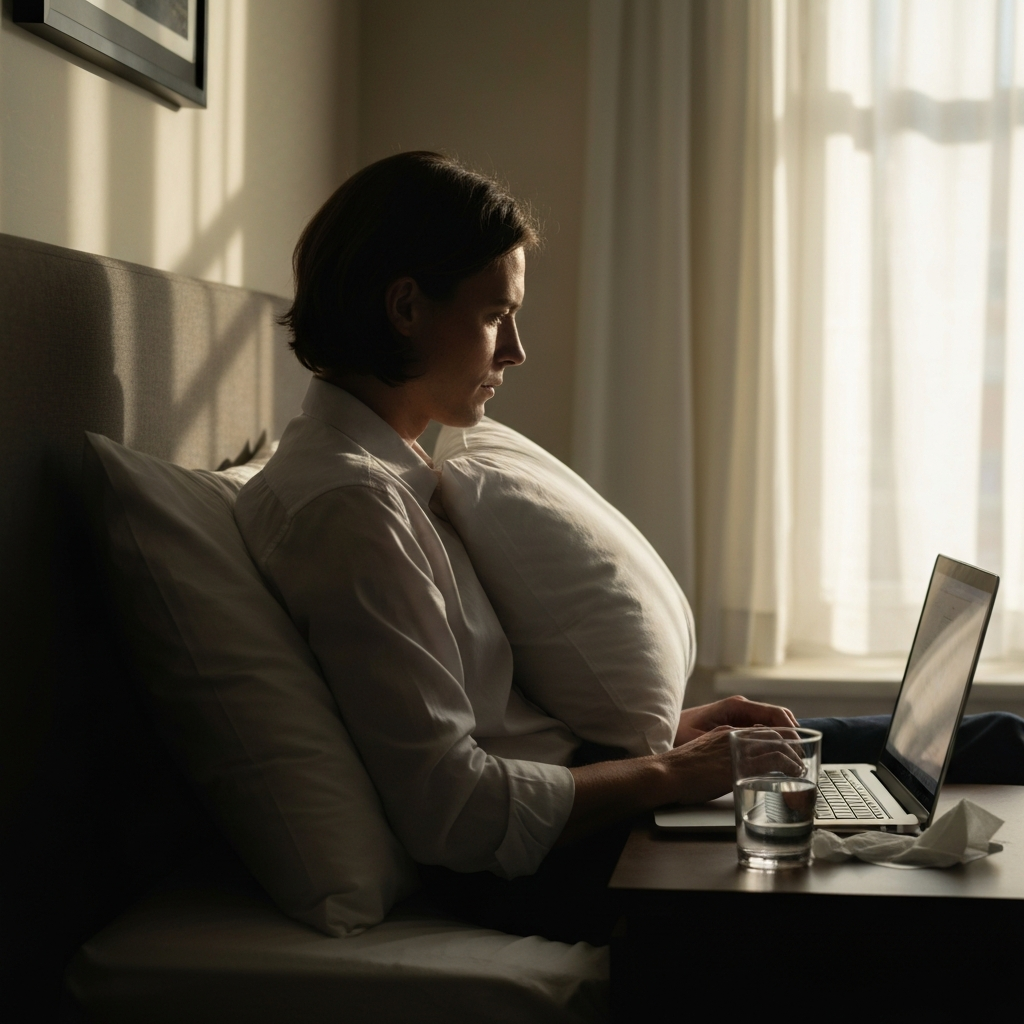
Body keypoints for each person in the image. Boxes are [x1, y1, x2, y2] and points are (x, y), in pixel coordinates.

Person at [236, 151, 1024, 945]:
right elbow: (455, 809)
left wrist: (678, 734)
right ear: (406, 307)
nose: (514, 350)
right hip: (559, 860)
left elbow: (498, 711)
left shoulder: (396, 475)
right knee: (944, 873)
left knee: (994, 740)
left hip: (594, 785)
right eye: (494, 315)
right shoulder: (352, 509)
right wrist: (673, 774)